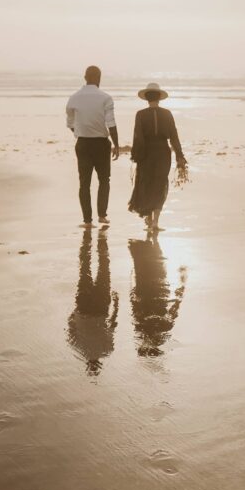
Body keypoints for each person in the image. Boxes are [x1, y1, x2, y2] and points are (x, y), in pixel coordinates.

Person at [66, 66, 119, 227]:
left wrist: (82, 132)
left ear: (85, 77)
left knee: (84, 183)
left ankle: (87, 220)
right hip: (101, 144)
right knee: (104, 180)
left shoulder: (74, 98)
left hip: (82, 143)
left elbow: (70, 123)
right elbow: (111, 123)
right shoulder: (105, 98)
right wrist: (117, 145)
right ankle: (102, 215)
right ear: (99, 78)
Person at [128, 83, 186, 231]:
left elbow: (138, 137)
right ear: (159, 98)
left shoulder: (140, 114)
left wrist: (136, 156)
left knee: (146, 183)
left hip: (146, 152)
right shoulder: (167, 114)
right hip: (163, 152)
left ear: (146, 98)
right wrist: (180, 155)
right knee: (160, 184)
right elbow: (174, 136)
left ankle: (148, 219)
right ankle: (155, 223)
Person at [66, 228, 118, 375]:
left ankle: (101, 239)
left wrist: (116, 303)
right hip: (84, 308)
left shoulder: (106, 350)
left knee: (103, 268)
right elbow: (71, 325)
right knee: (84, 270)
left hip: (100, 308)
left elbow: (113, 324)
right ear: (88, 363)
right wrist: (75, 312)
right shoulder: (77, 348)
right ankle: (88, 241)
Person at [128, 234, 186, 358]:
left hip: (151, 293)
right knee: (145, 267)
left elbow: (175, 307)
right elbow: (174, 308)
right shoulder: (148, 328)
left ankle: (148, 242)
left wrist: (182, 286)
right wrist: (182, 283)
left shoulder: (158, 327)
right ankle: (147, 242)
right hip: (148, 293)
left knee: (149, 266)